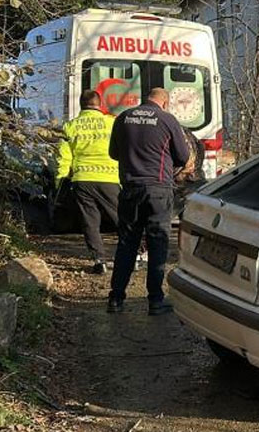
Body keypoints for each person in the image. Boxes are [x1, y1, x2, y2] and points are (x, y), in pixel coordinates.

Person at [107, 87, 190, 315]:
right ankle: (155, 300)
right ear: (164, 103)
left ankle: (116, 298)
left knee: (126, 244)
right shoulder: (167, 119)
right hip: (158, 189)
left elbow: (113, 152)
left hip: (130, 188)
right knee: (158, 244)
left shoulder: (123, 117)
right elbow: (183, 156)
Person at [57, 90, 120, 274]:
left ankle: (99, 259)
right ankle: (132, 255)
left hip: (82, 180)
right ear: (99, 104)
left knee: (90, 222)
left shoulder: (71, 126)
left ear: (81, 104)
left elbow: (64, 158)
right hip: (110, 179)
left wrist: (60, 182)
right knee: (121, 220)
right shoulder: (112, 123)